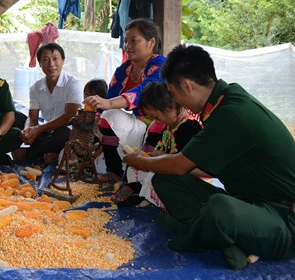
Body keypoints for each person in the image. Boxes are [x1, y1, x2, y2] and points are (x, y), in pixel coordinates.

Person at [123, 44, 295, 270]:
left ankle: (192, 237)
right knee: (165, 180)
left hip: (283, 219)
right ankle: (226, 240)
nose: (177, 102)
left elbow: (180, 164)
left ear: (187, 85)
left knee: (221, 208)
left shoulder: (233, 113)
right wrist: (160, 160)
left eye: (174, 94)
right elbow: (197, 166)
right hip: (249, 204)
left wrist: (142, 161)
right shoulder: (223, 102)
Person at [84, 18, 165, 188]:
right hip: (138, 124)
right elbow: (108, 98)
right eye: (126, 41)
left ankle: (135, 170)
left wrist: (107, 104)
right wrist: (96, 117)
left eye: (133, 40)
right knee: (107, 117)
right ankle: (114, 172)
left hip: (161, 128)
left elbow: (143, 91)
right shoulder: (123, 70)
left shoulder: (161, 65)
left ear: (151, 43)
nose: (127, 46)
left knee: (111, 113)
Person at [114, 81, 202, 207]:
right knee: (134, 167)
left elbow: (186, 165)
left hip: (187, 180)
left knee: (157, 176)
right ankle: (137, 190)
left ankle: (146, 195)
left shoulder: (189, 127)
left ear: (169, 107)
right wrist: (151, 156)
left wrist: (161, 157)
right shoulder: (169, 127)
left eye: (156, 116)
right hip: (171, 171)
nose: (156, 121)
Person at [14, 43, 83, 164]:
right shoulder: (35, 88)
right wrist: (28, 131)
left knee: (62, 134)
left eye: (55, 59)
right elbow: (32, 117)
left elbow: (70, 116)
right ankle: (49, 155)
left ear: (63, 61)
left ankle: (29, 154)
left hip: (68, 131)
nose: (51, 64)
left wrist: (39, 129)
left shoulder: (73, 83)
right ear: (40, 64)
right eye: (45, 60)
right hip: (47, 131)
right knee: (16, 117)